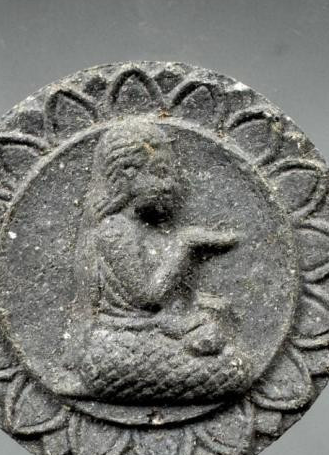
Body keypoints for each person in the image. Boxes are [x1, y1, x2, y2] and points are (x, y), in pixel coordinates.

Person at [66, 118, 250, 403]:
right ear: (128, 174)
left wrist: (194, 316)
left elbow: (162, 309)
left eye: (171, 176)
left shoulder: (141, 229)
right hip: (117, 350)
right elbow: (148, 298)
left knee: (220, 342)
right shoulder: (115, 230)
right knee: (234, 371)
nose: (171, 186)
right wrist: (185, 243)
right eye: (160, 173)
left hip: (148, 336)